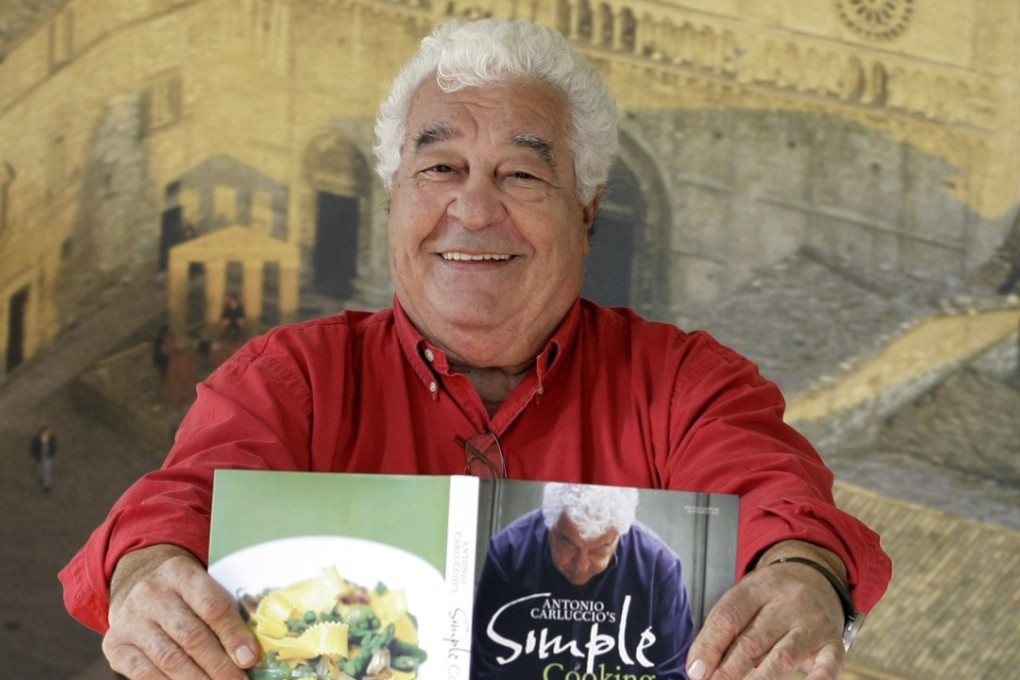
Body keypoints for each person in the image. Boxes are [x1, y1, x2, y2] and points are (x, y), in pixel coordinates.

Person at [60, 18, 892, 680]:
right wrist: (147, 574)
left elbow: (782, 504)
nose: (475, 209)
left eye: (522, 176)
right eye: (441, 167)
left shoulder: (684, 383)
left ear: (587, 208)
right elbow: (175, 509)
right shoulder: (293, 377)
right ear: (395, 198)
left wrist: (801, 575)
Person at [472, 483, 694, 679]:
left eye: (600, 548)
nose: (581, 566)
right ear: (550, 523)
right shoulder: (507, 553)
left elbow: (673, 673)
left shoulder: (661, 569)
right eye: (568, 543)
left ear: (620, 534)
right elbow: (487, 668)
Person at [30, 424, 56, 493]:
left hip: (47, 457)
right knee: (40, 468)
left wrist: (51, 454)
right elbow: (33, 448)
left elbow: (54, 448)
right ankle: (41, 478)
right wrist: (34, 456)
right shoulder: (36, 440)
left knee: (47, 470)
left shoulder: (51, 440)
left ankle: (46, 486)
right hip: (39, 457)